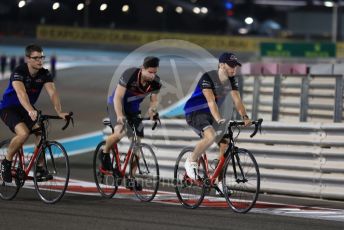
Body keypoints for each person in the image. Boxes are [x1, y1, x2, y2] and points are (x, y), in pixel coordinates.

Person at [0, 44, 69, 183]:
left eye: (41, 57)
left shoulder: (45, 73)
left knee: (41, 131)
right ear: (28, 59)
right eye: (36, 58)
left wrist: (59, 111)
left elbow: (53, 92)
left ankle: (38, 166)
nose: (40, 61)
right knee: (24, 133)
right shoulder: (19, 71)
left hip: (27, 108)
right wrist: (30, 110)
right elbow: (21, 93)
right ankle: (6, 163)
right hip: (9, 108)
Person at [183, 52, 251, 183]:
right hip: (195, 112)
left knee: (225, 145)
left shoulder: (232, 80)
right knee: (210, 136)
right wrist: (219, 119)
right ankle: (191, 160)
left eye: (235, 66)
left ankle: (218, 182)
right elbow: (211, 101)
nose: (234, 69)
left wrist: (245, 116)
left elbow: (237, 100)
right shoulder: (208, 77)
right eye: (231, 66)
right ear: (221, 65)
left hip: (210, 114)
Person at [102, 56, 162, 190]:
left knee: (138, 144)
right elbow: (118, 97)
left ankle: (131, 177)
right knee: (120, 132)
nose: (153, 76)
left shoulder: (156, 82)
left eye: (155, 72)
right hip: (117, 105)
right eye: (150, 72)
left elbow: (153, 101)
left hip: (133, 109)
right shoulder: (130, 75)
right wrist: (119, 115)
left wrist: (153, 112)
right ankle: (104, 152)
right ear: (143, 69)